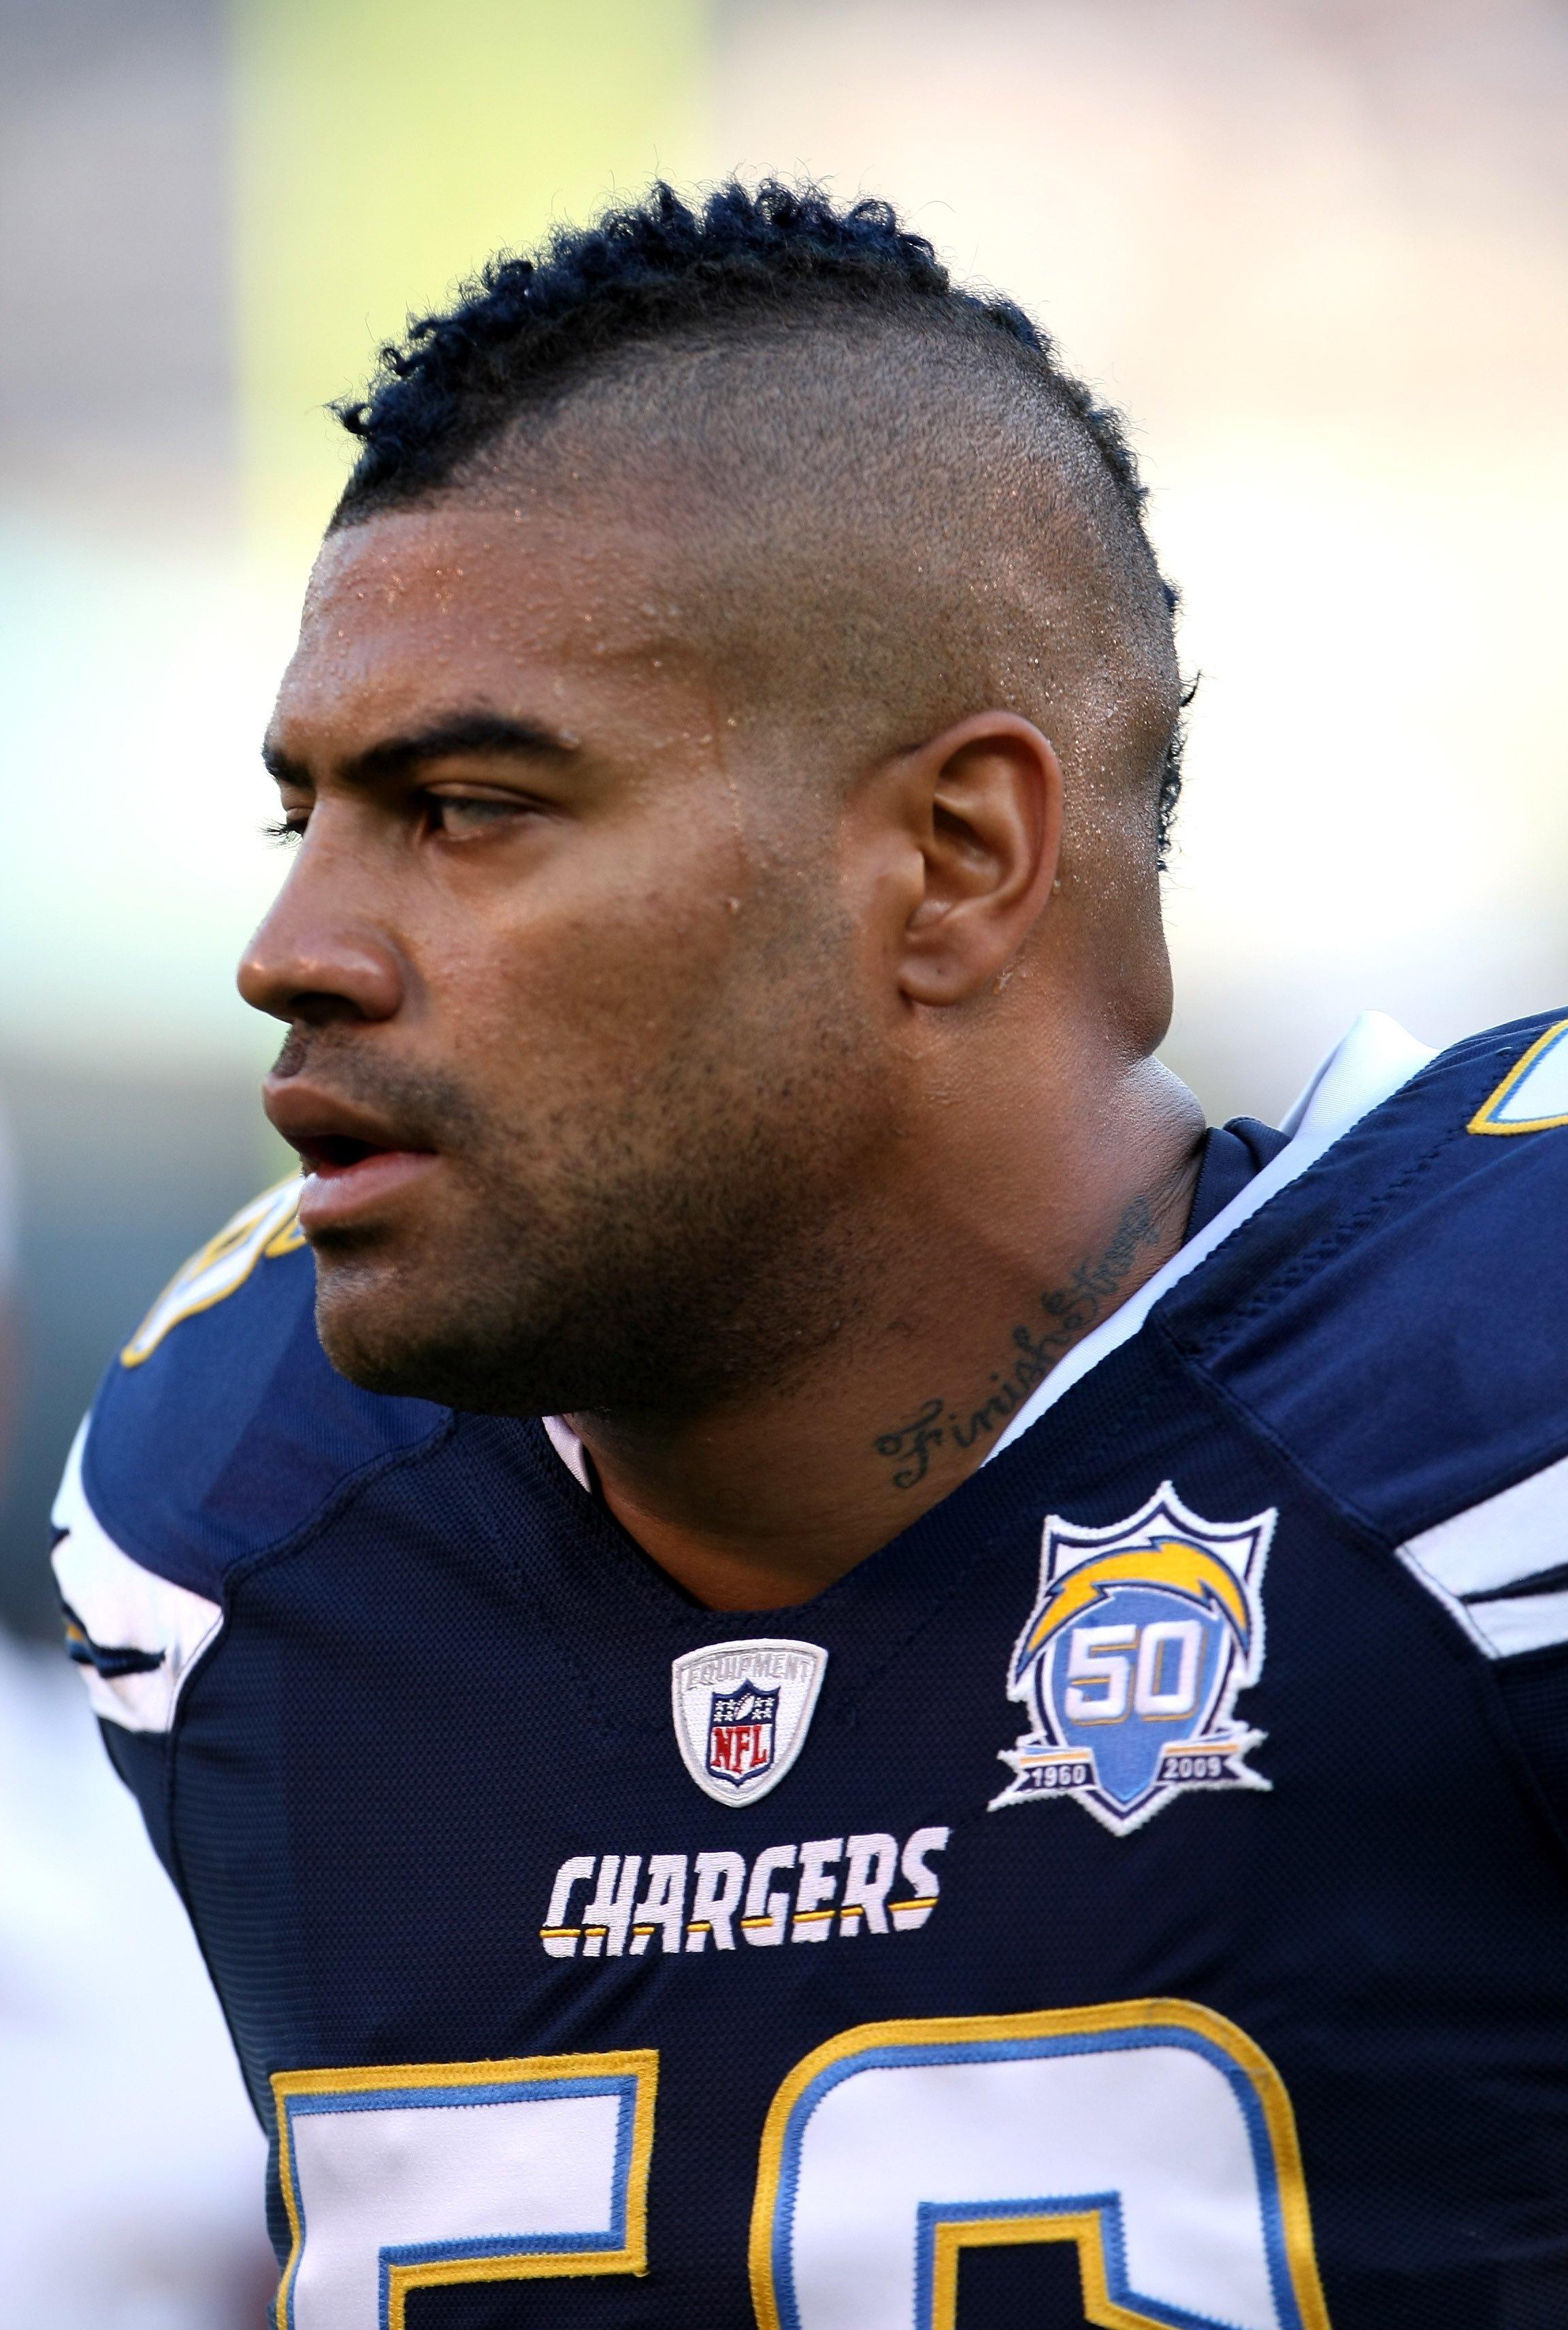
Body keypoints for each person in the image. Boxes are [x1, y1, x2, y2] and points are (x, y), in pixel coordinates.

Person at [50, 182, 1568, 2329]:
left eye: (470, 804)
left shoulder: (1499, 1424)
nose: (293, 951)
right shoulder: (243, 1522)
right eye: (302, 815)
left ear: (953, 861)